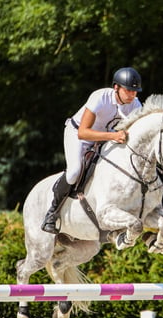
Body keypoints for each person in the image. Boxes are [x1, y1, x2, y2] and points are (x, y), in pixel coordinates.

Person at [41, 67, 143, 234]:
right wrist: (113, 136)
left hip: (105, 139)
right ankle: (52, 213)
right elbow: (83, 132)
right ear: (116, 87)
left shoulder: (135, 105)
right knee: (74, 172)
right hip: (78, 134)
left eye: (135, 91)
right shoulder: (100, 97)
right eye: (128, 90)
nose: (132, 95)